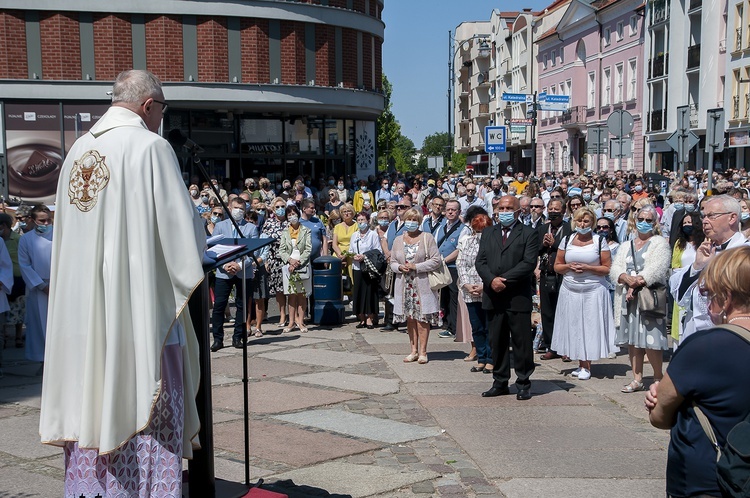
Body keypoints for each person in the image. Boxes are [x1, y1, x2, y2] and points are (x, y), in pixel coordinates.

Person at [39, 70, 205, 497]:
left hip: (82, 320)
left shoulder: (78, 150)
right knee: (147, 400)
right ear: (149, 106)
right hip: (138, 317)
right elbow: (182, 236)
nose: (162, 117)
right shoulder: (151, 147)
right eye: (162, 109)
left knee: (88, 396)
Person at [645, 246, 750, 498]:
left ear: (726, 298)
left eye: (708, 294)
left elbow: (660, 416)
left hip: (712, 481)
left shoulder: (705, 347)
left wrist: (656, 398)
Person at [476, 195, 540, 400]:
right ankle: (500, 381)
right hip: (493, 295)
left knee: (521, 341)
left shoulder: (528, 233)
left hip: (517, 296)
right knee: (497, 341)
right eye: (500, 208)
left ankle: (523, 382)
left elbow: (529, 263)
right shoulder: (488, 232)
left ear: (518, 211)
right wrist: (491, 279)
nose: (503, 212)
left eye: (508, 208)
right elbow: (481, 261)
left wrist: (504, 279)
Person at [670, 195, 748, 340]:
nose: (704, 221)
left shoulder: (744, 253)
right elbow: (679, 295)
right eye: (704, 216)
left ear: (732, 218)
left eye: (711, 216)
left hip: (731, 333)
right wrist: (696, 267)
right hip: (695, 331)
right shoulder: (703, 249)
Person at [611, 205, 671, 393]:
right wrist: (624, 278)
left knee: (651, 339)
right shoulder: (626, 244)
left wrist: (635, 283)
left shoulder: (659, 242)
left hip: (648, 297)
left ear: (654, 223)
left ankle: (657, 377)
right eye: (641, 219)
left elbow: (658, 268)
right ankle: (636, 378)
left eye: (648, 220)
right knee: (632, 341)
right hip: (628, 300)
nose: (644, 223)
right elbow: (615, 268)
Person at [551, 207, 614, 380]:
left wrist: (588, 268)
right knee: (574, 325)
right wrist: (568, 267)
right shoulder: (567, 239)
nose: (582, 224)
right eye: (579, 221)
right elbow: (557, 265)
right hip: (570, 289)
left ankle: (587, 365)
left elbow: (607, 268)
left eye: (586, 221)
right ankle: (580, 363)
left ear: (592, 223)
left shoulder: (599, 241)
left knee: (589, 326)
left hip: (593, 289)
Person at [391, 208, 441, 364]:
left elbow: (436, 260)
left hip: (422, 283)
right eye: (408, 219)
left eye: (414, 220)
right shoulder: (398, 239)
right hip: (404, 284)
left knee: (422, 318)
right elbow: (392, 261)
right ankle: (413, 350)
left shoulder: (427, 237)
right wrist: (399, 267)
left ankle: (423, 351)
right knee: (410, 318)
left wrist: (416, 266)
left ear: (419, 222)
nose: (411, 222)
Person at [209, 198, 258, 351]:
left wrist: (239, 265)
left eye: (242, 209)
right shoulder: (220, 226)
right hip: (224, 272)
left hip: (243, 272)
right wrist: (225, 265)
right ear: (229, 208)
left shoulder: (251, 228)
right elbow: (213, 249)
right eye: (236, 208)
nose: (239, 211)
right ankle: (218, 339)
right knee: (219, 306)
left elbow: (254, 252)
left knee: (242, 305)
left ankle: (238, 337)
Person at [456, 210, 493, 373]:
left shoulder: (494, 243)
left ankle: (491, 358)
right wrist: (466, 284)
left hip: (488, 289)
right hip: (470, 289)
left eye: (482, 231)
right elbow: (461, 264)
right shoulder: (468, 242)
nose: (479, 234)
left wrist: (485, 285)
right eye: (477, 231)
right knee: (476, 326)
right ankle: (481, 357)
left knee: (489, 326)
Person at [536, 198, 573, 359]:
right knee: (547, 312)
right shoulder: (543, 228)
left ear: (563, 211)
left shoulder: (569, 229)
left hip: (564, 275)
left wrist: (556, 243)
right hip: (546, 273)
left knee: (564, 312)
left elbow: (572, 251)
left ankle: (566, 347)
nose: (553, 211)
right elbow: (534, 250)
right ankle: (551, 345)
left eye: (556, 209)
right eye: (550, 208)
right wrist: (543, 244)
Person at [18, 205, 53, 367]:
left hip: (57, 286)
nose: (46, 223)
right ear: (32, 220)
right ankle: (43, 360)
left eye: (48, 220)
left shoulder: (59, 236)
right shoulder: (26, 240)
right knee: (40, 325)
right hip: (39, 289)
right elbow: (25, 265)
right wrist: (42, 286)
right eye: (42, 220)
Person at [436, 199, 468, 340]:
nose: (450, 212)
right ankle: (447, 324)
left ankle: (455, 327)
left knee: (454, 298)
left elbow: (459, 249)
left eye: (453, 210)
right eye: (448, 209)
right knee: (445, 297)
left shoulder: (463, 228)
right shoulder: (442, 226)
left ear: (459, 212)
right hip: (442, 267)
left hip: (453, 267)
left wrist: (444, 260)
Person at [278, 205, 312, 334]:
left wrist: (298, 262)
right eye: (289, 214)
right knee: (291, 295)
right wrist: (290, 261)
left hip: (302, 264)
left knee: (302, 294)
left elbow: (308, 249)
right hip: (289, 266)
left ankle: (301, 321)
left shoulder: (306, 230)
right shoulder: (285, 232)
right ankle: (291, 321)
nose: (292, 216)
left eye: (294, 213)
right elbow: (282, 250)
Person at [350, 212, 383, 328]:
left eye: (363, 220)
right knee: (358, 291)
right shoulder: (354, 235)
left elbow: (377, 251)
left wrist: (364, 256)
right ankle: (361, 317)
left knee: (369, 292)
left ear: (368, 221)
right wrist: (353, 256)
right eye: (358, 220)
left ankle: (370, 317)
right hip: (357, 267)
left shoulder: (373, 235)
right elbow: (350, 250)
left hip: (369, 268)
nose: (360, 222)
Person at [261, 197, 290, 327]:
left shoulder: (290, 222)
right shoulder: (268, 223)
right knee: (279, 290)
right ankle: (282, 314)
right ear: (273, 209)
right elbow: (264, 243)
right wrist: (266, 261)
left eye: (282, 206)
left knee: (291, 289)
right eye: (277, 207)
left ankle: (293, 315)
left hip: (289, 260)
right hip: (274, 260)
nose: (280, 209)